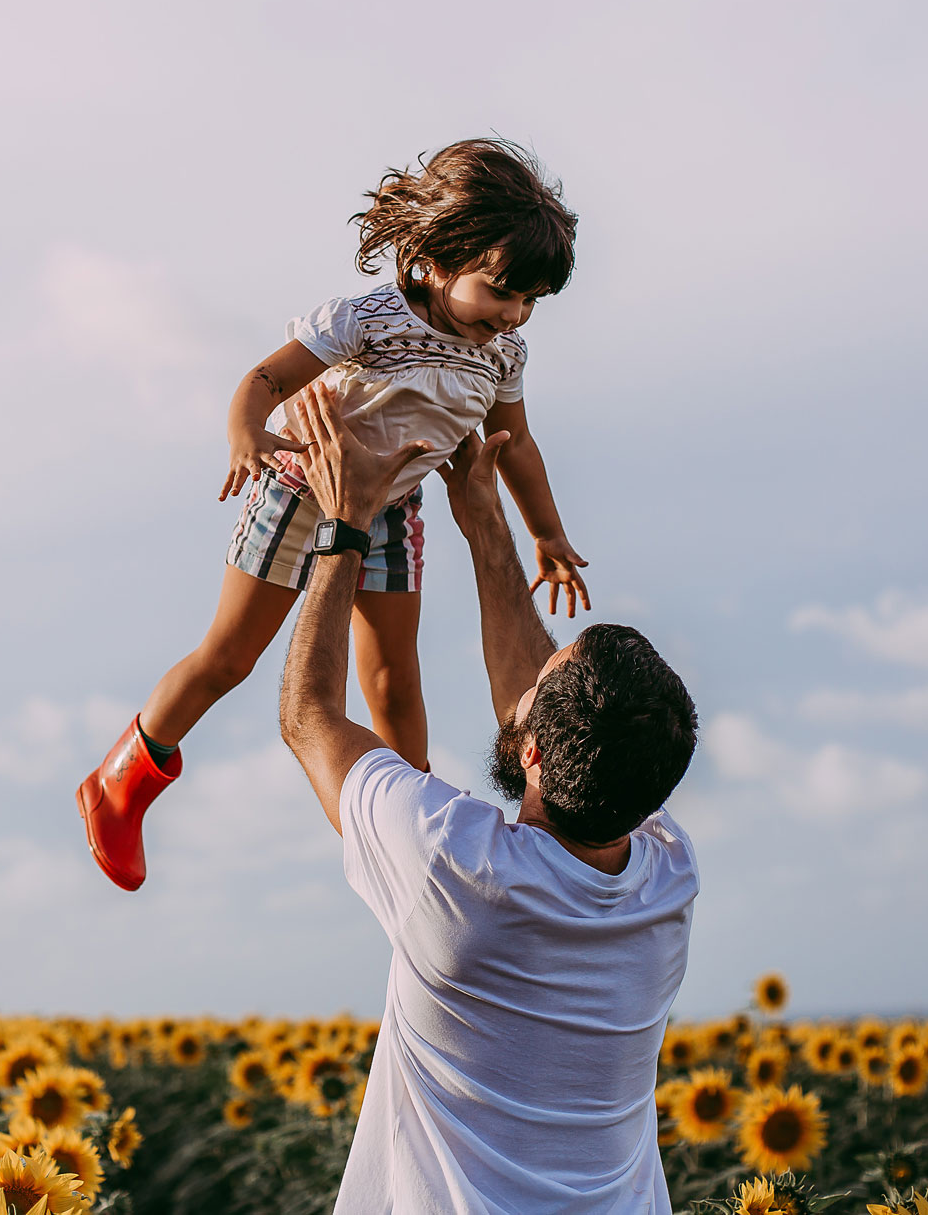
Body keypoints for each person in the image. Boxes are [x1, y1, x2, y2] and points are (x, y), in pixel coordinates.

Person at [79, 138, 593, 891]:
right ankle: (122, 780)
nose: (513, 315)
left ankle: (417, 831)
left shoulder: (501, 357)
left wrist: (546, 532)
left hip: (393, 508)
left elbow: (514, 446)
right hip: (299, 487)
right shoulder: (367, 320)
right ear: (438, 258)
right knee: (229, 656)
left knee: (393, 679)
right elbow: (264, 376)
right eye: (500, 290)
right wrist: (245, 432)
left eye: (531, 302)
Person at [278, 381, 701, 1214]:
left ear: (535, 750)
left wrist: (345, 524)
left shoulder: (453, 865)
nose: (527, 676)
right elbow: (541, 712)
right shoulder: (666, 875)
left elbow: (310, 715)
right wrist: (483, 520)